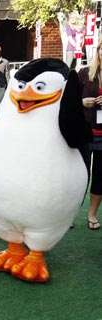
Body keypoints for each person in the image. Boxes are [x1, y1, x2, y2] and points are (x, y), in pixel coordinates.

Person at [78, 39, 102, 230]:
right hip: (84, 132)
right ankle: (68, 215)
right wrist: (82, 102)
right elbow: (69, 99)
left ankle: (92, 215)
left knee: (100, 177)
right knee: (78, 176)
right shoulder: (85, 72)